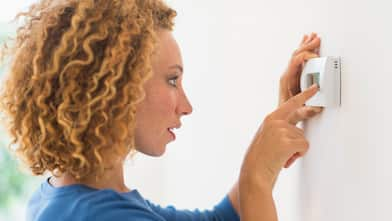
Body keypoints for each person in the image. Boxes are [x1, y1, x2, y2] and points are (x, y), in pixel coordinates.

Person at [0, 0, 322, 220]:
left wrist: (276, 127)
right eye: (172, 80)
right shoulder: (103, 216)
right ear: (116, 88)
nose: (186, 106)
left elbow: (219, 219)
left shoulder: (72, 198)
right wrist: (256, 179)